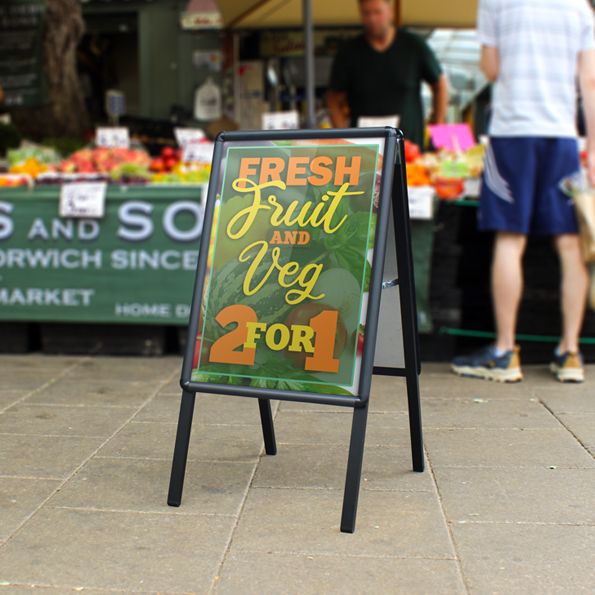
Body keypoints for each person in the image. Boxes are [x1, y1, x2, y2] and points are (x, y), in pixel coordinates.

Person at [452, 0, 595, 383]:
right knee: (569, 243)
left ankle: (504, 351)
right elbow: (590, 80)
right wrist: (594, 149)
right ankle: (570, 352)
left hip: (512, 134)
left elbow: (491, 68)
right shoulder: (579, 8)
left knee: (510, 239)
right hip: (562, 138)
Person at [327, 0, 448, 146]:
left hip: (409, 147)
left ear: (390, 12)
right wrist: (345, 139)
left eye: (377, 12)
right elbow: (333, 100)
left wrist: (438, 126)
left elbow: (440, 84)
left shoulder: (413, 46)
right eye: (366, 13)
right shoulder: (348, 53)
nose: (372, 19)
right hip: (367, 150)